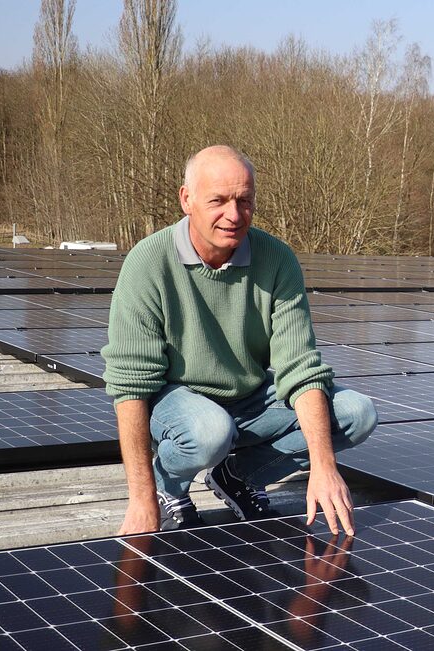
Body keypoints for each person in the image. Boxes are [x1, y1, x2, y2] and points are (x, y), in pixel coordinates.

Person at [102, 145, 376, 537]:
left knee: (356, 413)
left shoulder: (276, 259)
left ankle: (238, 475)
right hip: (175, 396)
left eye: (244, 201)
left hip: (248, 394)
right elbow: (130, 385)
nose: (233, 215)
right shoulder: (148, 263)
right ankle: (168, 484)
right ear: (187, 199)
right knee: (209, 433)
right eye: (218, 201)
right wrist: (141, 499)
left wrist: (323, 466)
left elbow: (299, 365)